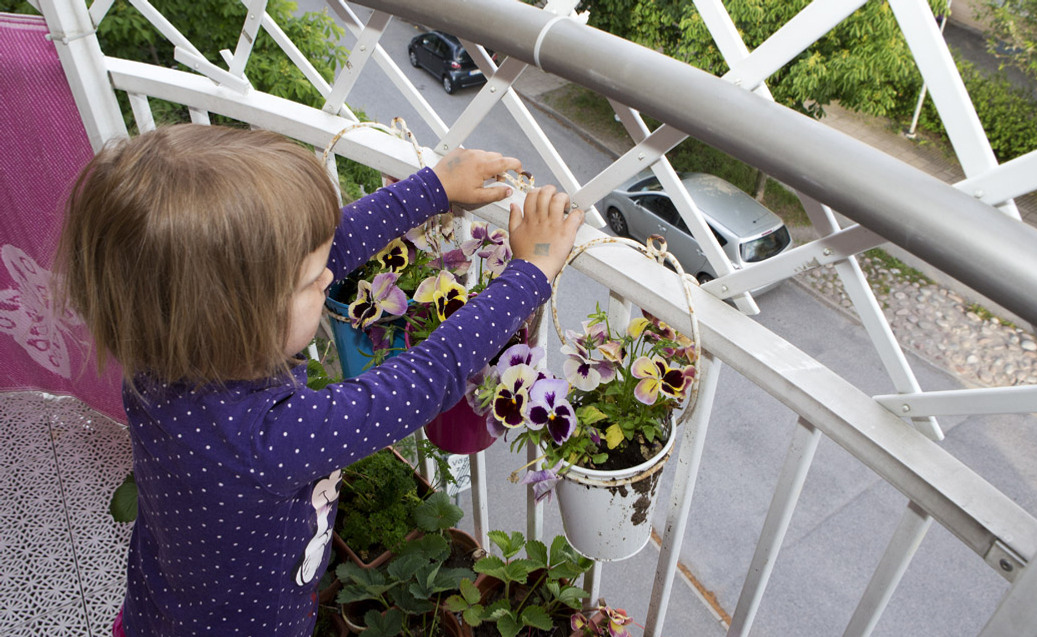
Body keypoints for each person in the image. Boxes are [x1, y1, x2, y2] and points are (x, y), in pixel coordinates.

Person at [53, 123, 584, 637]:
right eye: (313, 282)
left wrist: (434, 189)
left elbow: (318, 250)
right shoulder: (270, 438)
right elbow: (427, 377)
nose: (331, 274)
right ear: (241, 319)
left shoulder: (159, 352)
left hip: (163, 603)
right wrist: (529, 274)